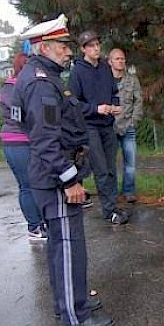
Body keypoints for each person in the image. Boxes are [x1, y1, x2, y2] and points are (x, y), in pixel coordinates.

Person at [12, 14, 114, 326]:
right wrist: (69, 178)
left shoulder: (43, 76)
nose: (69, 52)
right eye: (63, 46)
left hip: (50, 175)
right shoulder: (42, 83)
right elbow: (45, 138)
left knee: (61, 245)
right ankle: (75, 314)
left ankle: (69, 302)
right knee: (69, 245)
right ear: (44, 46)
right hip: (55, 179)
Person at [68, 30, 130, 225]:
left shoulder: (104, 68)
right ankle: (110, 209)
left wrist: (115, 105)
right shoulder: (77, 72)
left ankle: (111, 206)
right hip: (90, 126)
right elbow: (74, 103)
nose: (96, 49)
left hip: (107, 124)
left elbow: (114, 91)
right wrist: (96, 108)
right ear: (83, 49)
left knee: (111, 168)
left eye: (97, 45)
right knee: (101, 169)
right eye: (91, 46)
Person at [0, 52, 46, 240]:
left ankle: (40, 222)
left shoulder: (28, 85)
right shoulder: (10, 87)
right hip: (16, 142)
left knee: (35, 183)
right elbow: (22, 115)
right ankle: (34, 227)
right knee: (27, 185)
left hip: (29, 141)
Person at [108, 48, 143, 204]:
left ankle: (129, 191)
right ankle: (112, 192)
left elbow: (138, 101)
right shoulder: (104, 80)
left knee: (131, 163)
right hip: (110, 127)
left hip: (128, 126)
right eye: (117, 59)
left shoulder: (132, 80)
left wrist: (134, 120)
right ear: (110, 61)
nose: (120, 61)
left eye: (122, 59)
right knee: (111, 163)